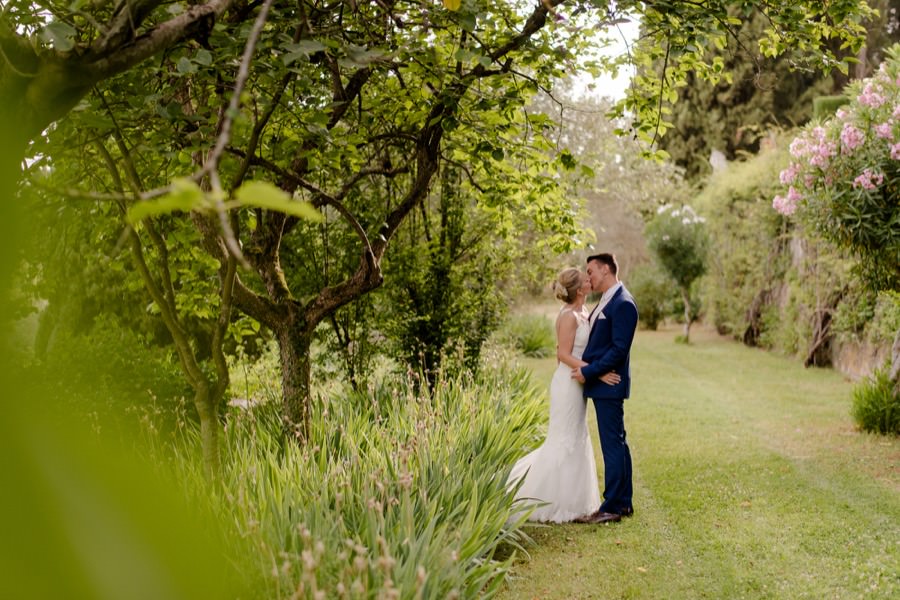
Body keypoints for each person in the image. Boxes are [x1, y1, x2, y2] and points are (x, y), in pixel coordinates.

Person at [507, 267, 620, 523]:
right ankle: (545, 499)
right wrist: (596, 372)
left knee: (577, 436)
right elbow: (563, 354)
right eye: (585, 279)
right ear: (580, 289)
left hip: (579, 382)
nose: (590, 280)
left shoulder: (583, 312)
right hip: (567, 384)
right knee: (563, 439)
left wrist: (593, 369)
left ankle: (574, 500)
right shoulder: (568, 316)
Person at [572, 253, 638, 524]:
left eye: (591, 271)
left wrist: (588, 372)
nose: (588, 277)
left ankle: (611, 507)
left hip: (609, 386)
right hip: (603, 383)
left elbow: (619, 349)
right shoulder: (607, 300)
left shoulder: (623, 303)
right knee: (618, 444)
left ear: (607, 270)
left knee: (612, 446)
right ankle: (622, 503)